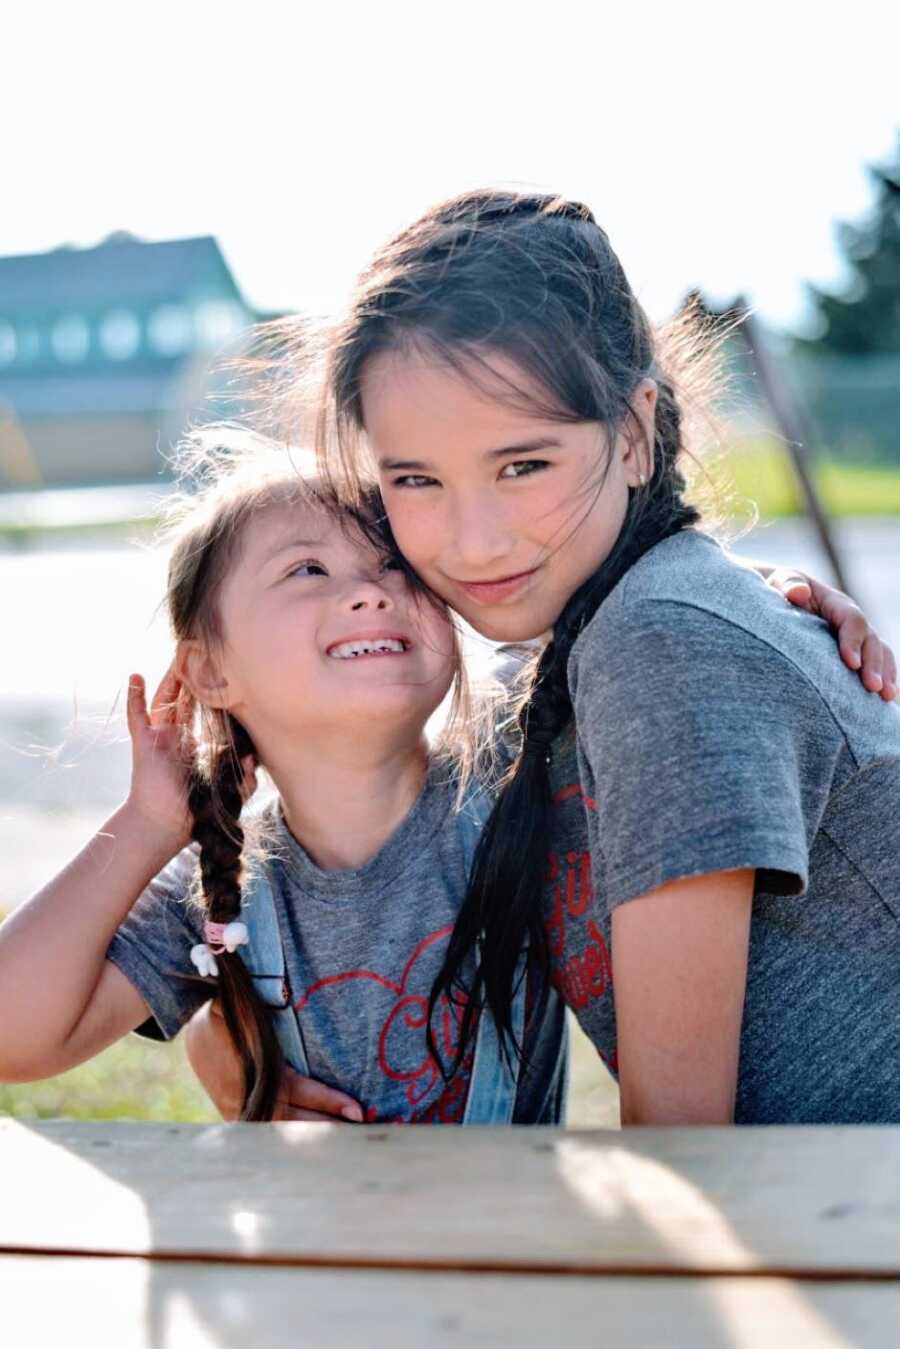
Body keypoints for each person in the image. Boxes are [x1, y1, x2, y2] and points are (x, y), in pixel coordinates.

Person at [309, 187, 900, 1127]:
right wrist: (245, 1054)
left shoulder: (661, 644)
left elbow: (679, 1138)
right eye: (416, 478)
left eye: (523, 465)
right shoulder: (585, 658)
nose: (473, 540)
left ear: (632, 433)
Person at [0, 431, 569, 1123]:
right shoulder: (225, 879)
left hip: (510, 1229)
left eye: (395, 562)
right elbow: (14, 1035)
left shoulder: (519, 763)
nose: (368, 590)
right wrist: (146, 825)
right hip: (311, 1232)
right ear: (211, 671)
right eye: (307, 569)